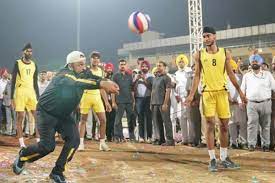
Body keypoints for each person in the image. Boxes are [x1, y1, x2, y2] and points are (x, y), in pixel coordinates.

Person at [12, 51, 119, 183]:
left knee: (74, 141)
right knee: (47, 146)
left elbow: (91, 77)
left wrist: (105, 81)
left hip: (63, 115)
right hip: (47, 113)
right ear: (70, 65)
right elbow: (76, 82)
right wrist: (101, 84)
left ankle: (57, 172)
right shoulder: (63, 75)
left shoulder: (82, 72)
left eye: (84, 64)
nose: (83, 67)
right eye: (80, 65)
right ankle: (23, 156)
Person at [185, 26, 247, 172]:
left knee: (224, 126)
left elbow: (231, 75)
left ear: (215, 36)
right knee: (210, 124)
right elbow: (197, 76)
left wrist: (240, 92)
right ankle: (212, 158)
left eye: (208, 36)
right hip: (208, 94)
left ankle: (224, 157)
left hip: (222, 93)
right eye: (204, 37)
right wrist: (191, 95)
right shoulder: (199, 54)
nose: (206, 39)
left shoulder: (225, 53)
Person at [240, 54, 275, 152]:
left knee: (266, 125)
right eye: (253, 62)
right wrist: (240, 101)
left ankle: (266, 145)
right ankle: (251, 144)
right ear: (250, 63)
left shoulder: (267, 74)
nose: (254, 63)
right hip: (251, 103)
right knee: (251, 125)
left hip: (266, 103)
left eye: (256, 61)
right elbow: (242, 89)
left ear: (260, 62)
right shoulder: (247, 76)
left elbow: (274, 86)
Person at [78, 51, 112, 151]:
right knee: (83, 120)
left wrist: (106, 102)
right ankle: (80, 143)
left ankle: (102, 143)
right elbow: (80, 85)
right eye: (93, 58)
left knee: (103, 120)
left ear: (99, 60)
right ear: (90, 59)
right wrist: (78, 100)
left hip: (97, 97)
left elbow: (102, 88)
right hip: (86, 96)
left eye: (97, 58)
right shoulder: (86, 70)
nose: (95, 59)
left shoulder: (101, 71)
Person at [11, 43, 40, 147]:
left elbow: (35, 82)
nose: (29, 53)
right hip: (20, 92)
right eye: (27, 51)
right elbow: (13, 81)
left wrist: (38, 97)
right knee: (21, 117)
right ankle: (21, 142)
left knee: (37, 116)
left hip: (31, 92)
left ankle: (38, 139)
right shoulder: (17, 63)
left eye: (31, 51)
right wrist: (11, 98)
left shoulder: (34, 64)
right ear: (23, 52)